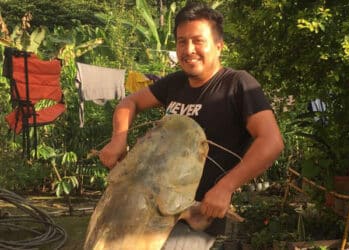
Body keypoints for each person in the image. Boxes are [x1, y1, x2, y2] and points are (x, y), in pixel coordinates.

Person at [99, 2, 284, 249]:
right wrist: (118, 139)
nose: (189, 50)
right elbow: (129, 102)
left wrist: (226, 187)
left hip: (196, 214)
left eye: (198, 41)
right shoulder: (174, 83)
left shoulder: (238, 84)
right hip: (152, 205)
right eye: (181, 41)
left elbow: (271, 142)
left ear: (219, 46)